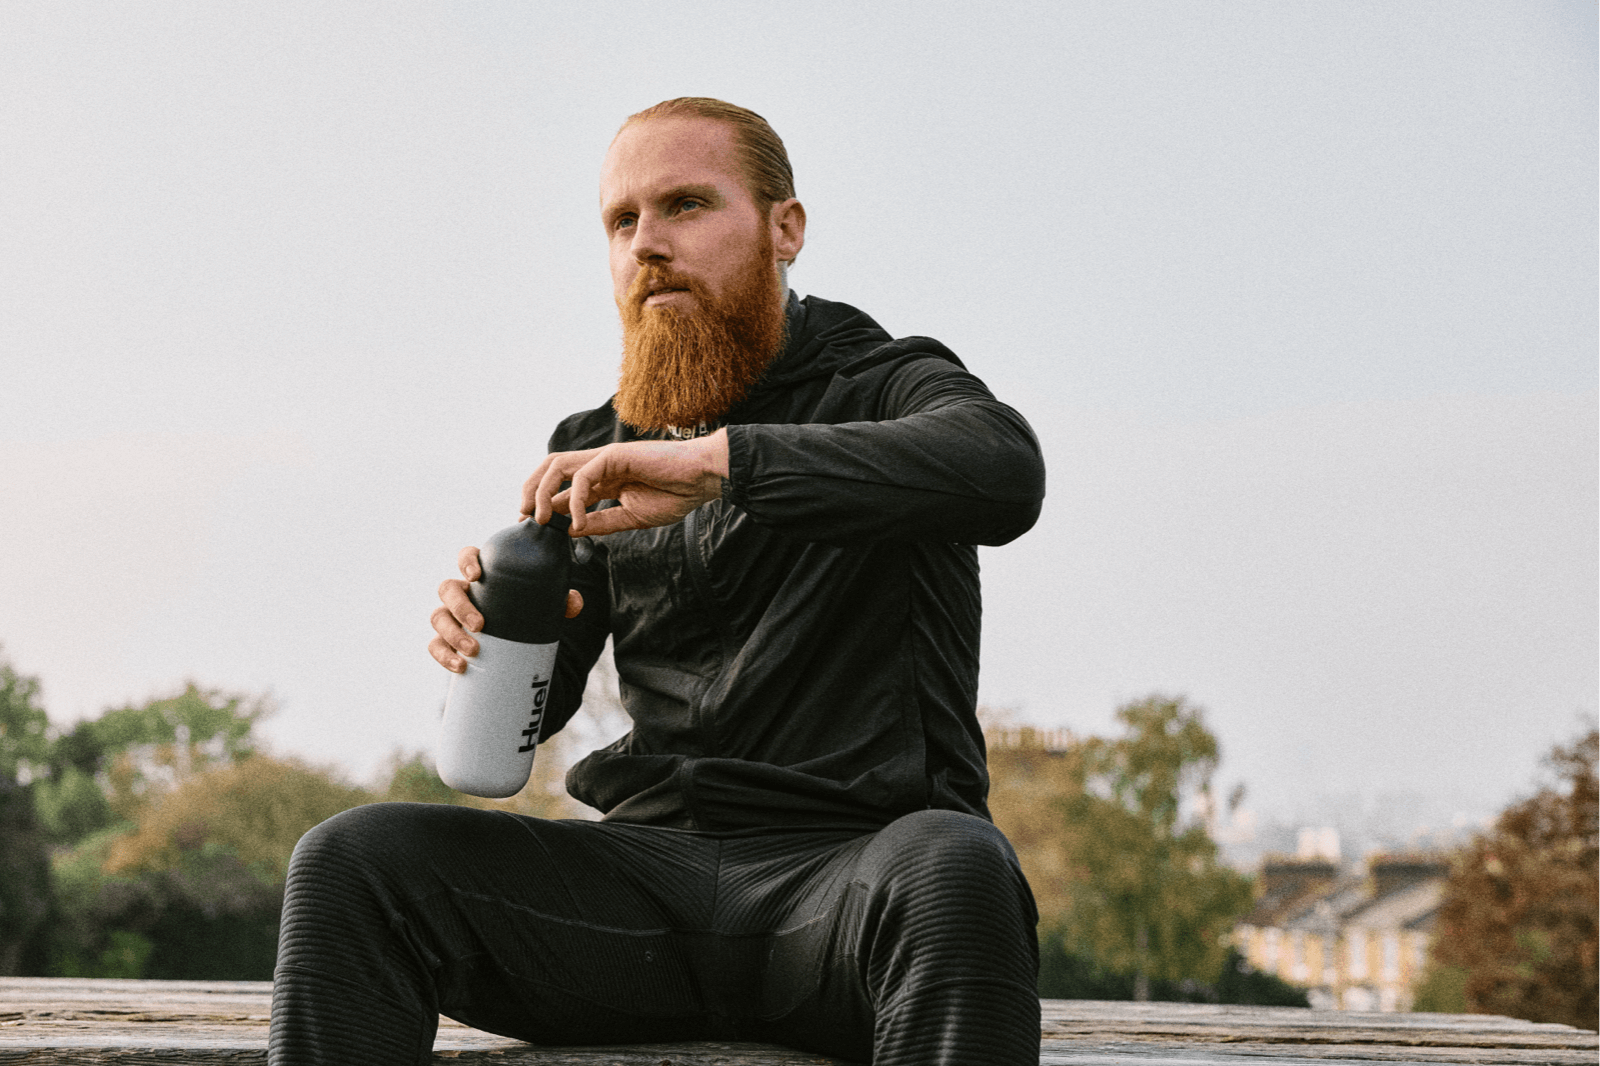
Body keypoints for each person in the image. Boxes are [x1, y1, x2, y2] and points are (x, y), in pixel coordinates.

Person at [269, 98, 1047, 1066]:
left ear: (784, 228)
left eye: (685, 205)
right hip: (639, 894)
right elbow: (527, 727)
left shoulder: (888, 384)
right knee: (356, 859)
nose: (648, 243)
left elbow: (1003, 471)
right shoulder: (592, 445)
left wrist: (724, 465)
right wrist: (494, 640)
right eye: (622, 220)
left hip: (847, 890)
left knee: (955, 865)